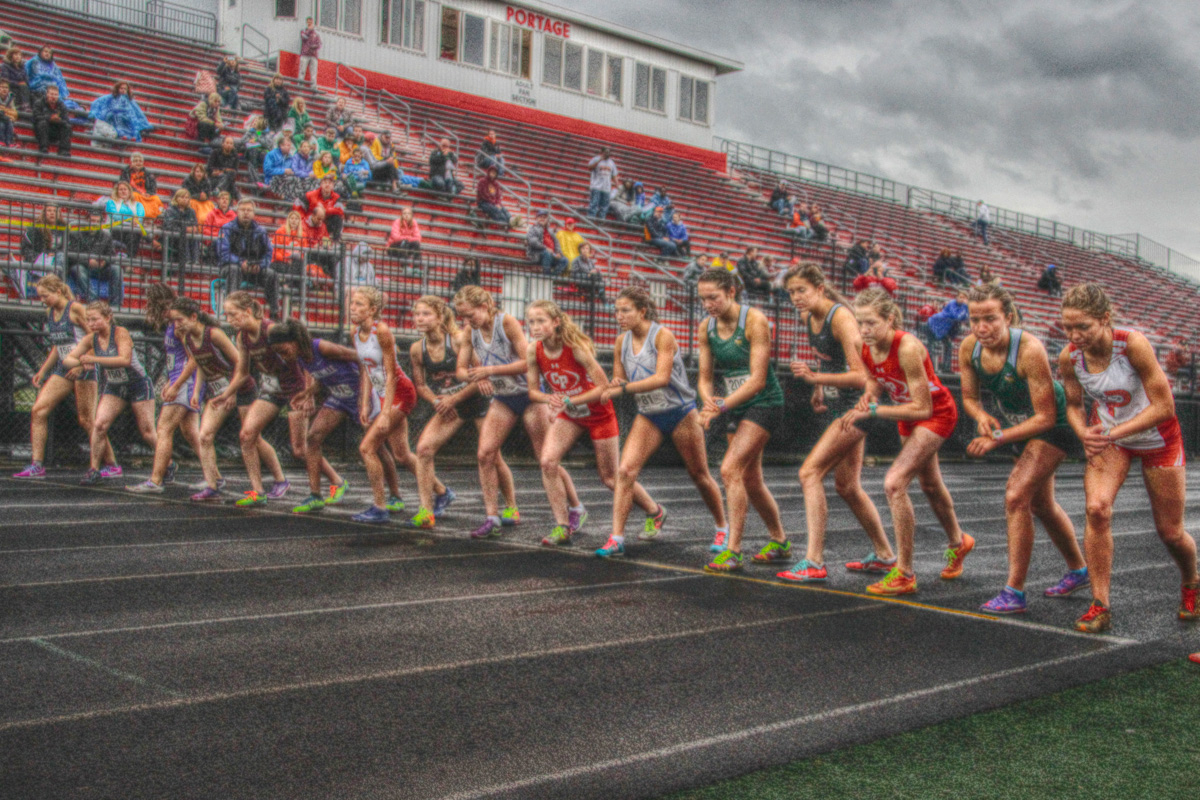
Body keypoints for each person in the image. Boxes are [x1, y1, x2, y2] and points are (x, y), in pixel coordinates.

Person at [1057, 283, 1198, 633]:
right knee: (1096, 509)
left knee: (1170, 532)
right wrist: (1082, 432)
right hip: (1111, 438)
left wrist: (1113, 432)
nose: (1075, 335)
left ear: (1105, 319)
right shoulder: (1070, 356)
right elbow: (1074, 404)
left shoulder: (1131, 344)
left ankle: (1192, 582)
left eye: (1083, 327)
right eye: (1068, 327)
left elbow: (1165, 407)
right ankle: (1100, 604)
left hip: (1156, 438)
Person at [958, 283, 1088, 613]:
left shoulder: (1029, 350)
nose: (981, 327)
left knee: (1016, 495)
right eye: (975, 319)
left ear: (1009, 317)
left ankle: (1013, 591)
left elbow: (1045, 417)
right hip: (1020, 427)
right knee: (1041, 505)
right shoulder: (969, 348)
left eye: (990, 318)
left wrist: (999, 437)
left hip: (1054, 425)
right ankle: (1079, 569)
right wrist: (981, 415)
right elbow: (970, 399)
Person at [837, 288, 974, 595]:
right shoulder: (864, 345)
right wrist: (868, 397)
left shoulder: (909, 347)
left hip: (934, 412)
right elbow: (874, 378)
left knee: (895, 483)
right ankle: (959, 541)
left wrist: (874, 409)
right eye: (860, 323)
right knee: (929, 484)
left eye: (871, 322)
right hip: (906, 413)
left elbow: (923, 407)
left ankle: (905, 573)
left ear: (891, 318)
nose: (864, 330)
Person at [775, 264, 896, 583]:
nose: (796, 298)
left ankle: (814, 560)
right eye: (791, 292)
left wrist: (817, 378)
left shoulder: (841, 317)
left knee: (809, 472)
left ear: (820, 288)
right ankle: (885, 556)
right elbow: (828, 358)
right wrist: (819, 387)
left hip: (861, 403)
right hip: (841, 402)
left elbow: (862, 375)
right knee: (846, 485)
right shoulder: (808, 317)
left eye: (802, 290)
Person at [594, 287, 727, 558]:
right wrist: (610, 386)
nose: (619, 315)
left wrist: (622, 389)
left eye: (625, 310)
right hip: (649, 414)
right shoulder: (622, 341)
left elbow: (661, 378)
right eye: (616, 310)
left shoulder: (662, 336)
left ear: (642, 311)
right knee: (625, 472)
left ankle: (723, 527)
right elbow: (620, 379)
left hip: (680, 412)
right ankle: (617, 537)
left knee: (699, 475)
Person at [523, 299, 660, 546]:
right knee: (547, 461)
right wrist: (550, 399)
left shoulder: (574, 348)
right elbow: (533, 392)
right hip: (570, 413)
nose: (535, 326)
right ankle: (562, 525)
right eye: (531, 321)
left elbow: (603, 387)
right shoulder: (534, 350)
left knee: (610, 478)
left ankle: (655, 511)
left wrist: (568, 400)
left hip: (598, 413)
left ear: (555, 322)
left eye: (541, 320)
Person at [454, 285, 583, 539]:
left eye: (470, 315)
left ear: (484, 306)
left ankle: (576, 507)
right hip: (504, 397)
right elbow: (460, 369)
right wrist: (474, 377)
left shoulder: (507, 323)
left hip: (530, 395)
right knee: (485, 454)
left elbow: (529, 362)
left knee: (546, 458)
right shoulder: (471, 331)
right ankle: (492, 517)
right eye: (463, 317)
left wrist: (490, 371)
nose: (467, 321)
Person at [694, 269, 790, 571]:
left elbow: (758, 380)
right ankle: (780, 541)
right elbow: (705, 377)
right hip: (735, 406)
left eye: (714, 297)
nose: (708, 304)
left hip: (764, 403)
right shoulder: (706, 327)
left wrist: (720, 407)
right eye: (703, 299)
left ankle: (733, 550)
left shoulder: (754, 321)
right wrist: (708, 400)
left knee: (729, 469)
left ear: (731, 292)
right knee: (751, 480)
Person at [212, 290, 342, 506]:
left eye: (233, 314)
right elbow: (243, 372)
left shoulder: (271, 330)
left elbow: (305, 354)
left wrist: (309, 393)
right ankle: (258, 491)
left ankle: (337, 480)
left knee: (300, 449)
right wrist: (226, 393)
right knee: (246, 434)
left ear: (247, 311)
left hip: (295, 389)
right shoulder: (242, 337)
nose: (229, 320)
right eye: (226, 315)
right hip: (272, 389)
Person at [167, 297, 279, 501]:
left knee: (253, 438)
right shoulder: (188, 339)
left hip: (241, 389)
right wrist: (195, 391)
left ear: (193, 317)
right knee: (205, 436)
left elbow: (239, 363)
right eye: (174, 321)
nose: (177, 325)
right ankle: (213, 485)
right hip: (219, 392)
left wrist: (233, 392)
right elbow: (201, 363)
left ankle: (279, 479)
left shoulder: (215, 335)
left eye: (180, 320)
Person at [13, 276, 116, 480]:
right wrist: (43, 371)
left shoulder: (76, 309)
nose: (42, 299)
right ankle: (37, 464)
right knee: (38, 410)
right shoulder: (51, 312)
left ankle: (111, 464)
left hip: (83, 366)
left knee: (88, 420)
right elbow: (57, 345)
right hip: (63, 366)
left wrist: (86, 362)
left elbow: (94, 337)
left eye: (46, 295)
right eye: (40, 296)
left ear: (58, 292)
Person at [406, 295, 495, 528]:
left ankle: (510, 507)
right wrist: (436, 401)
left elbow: (480, 376)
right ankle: (426, 511)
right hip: (448, 405)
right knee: (423, 449)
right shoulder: (417, 349)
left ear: (439, 317)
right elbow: (421, 385)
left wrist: (453, 399)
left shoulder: (456, 341)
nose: (420, 318)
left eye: (426, 314)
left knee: (491, 456)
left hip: (475, 401)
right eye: (417, 314)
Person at [267, 320, 362, 514]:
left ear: (295, 341)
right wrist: (308, 392)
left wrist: (367, 396)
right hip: (339, 397)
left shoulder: (322, 347)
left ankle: (412, 493)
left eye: (283, 349)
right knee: (312, 439)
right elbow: (323, 374)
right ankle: (315, 495)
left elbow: (361, 359)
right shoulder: (300, 358)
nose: (282, 356)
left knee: (387, 450)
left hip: (361, 396)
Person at [61, 301, 157, 485]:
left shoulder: (120, 333)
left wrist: (93, 359)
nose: (91, 324)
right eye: (88, 320)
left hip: (137, 383)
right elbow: (68, 359)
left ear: (108, 317)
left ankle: (166, 463)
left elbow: (124, 359)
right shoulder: (91, 339)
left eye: (95, 319)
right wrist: (81, 363)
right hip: (115, 386)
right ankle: (94, 469)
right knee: (99, 425)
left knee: (147, 431)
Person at [350, 286, 422, 522]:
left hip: (400, 392)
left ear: (372, 309)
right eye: (352, 303)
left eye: (359, 304)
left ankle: (380, 507)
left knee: (367, 448)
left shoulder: (381, 331)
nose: (353, 307)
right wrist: (364, 404)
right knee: (401, 453)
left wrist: (383, 413)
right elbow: (367, 370)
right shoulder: (354, 332)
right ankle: (442, 492)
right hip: (382, 393)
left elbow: (391, 375)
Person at [126, 285, 203, 493]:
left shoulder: (179, 326)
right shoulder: (173, 324)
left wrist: (176, 384)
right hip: (181, 380)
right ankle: (215, 476)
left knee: (163, 429)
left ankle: (156, 480)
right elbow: (177, 359)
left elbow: (194, 358)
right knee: (190, 433)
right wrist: (170, 381)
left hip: (186, 382)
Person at [218, 199, 279, 319]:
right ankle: (231, 311)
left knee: (272, 274)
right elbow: (223, 253)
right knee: (234, 270)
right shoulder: (227, 228)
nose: (246, 213)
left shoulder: (261, 231)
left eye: (249, 210)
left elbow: (268, 253)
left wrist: (260, 265)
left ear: (253, 213)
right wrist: (240, 263)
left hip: (254, 269)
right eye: (243, 210)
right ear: (237, 211)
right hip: (231, 266)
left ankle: (274, 313)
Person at [66, 207, 121, 305]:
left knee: (116, 269)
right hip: (83, 267)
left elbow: (112, 256)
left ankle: (115, 305)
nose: (94, 223)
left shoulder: (106, 236)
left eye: (97, 221)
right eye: (92, 220)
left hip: (100, 268)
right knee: (77, 269)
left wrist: (104, 262)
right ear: (87, 221)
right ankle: (94, 301)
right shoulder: (76, 234)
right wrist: (88, 261)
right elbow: (71, 256)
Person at [16, 203, 64, 296]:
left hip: (57, 262)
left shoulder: (64, 229)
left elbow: (68, 249)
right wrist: (41, 256)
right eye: (49, 210)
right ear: (44, 212)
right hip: (38, 262)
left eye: (55, 211)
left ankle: (54, 288)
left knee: (61, 257)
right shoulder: (35, 228)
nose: (52, 213)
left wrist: (54, 254)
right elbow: (25, 248)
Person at [88, 81, 152, 142]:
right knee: (117, 116)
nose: (123, 90)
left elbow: (137, 111)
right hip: (113, 116)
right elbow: (99, 102)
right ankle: (121, 134)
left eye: (125, 89)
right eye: (121, 88)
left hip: (126, 117)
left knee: (128, 119)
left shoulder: (130, 100)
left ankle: (129, 135)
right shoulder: (111, 97)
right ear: (117, 89)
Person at [26, 45, 80, 110]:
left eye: (49, 53)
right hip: (37, 87)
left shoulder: (53, 65)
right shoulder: (34, 61)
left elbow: (58, 79)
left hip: (51, 88)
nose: (47, 54)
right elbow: (29, 73)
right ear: (41, 52)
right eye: (45, 51)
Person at [104, 180, 145, 257]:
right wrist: (131, 219)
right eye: (120, 190)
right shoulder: (111, 203)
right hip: (115, 230)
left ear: (129, 191)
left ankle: (130, 260)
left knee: (134, 234)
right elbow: (116, 217)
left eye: (125, 189)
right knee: (134, 234)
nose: (123, 192)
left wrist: (134, 221)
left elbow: (140, 218)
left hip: (132, 231)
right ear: (117, 191)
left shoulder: (138, 205)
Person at [118, 151, 164, 219]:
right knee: (135, 195)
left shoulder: (147, 173)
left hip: (145, 195)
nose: (138, 163)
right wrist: (140, 193)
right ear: (131, 163)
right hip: (132, 193)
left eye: (140, 161)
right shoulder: (126, 172)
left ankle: (149, 217)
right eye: (136, 161)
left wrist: (148, 193)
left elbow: (153, 187)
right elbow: (124, 185)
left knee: (156, 199)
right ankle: (140, 216)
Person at [300, 176, 345, 241]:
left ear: (333, 185)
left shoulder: (337, 197)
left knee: (338, 218)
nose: (327, 184)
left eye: (330, 183)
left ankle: (336, 241)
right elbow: (299, 205)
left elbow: (340, 210)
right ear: (321, 184)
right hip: (311, 221)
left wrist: (325, 210)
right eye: (325, 182)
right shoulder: (310, 195)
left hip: (326, 222)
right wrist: (302, 219)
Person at [32, 84, 71, 155]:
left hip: (56, 130)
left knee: (67, 126)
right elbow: (36, 117)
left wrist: (59, 120)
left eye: (56, 95)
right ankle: (44, 147)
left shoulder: (61, 105)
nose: (53, 97)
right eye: (51, 94)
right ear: (47, 94)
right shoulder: (39, 103)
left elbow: (66, 119)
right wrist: (49, 118)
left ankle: (64, 150)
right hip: (42, 130)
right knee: (42, 123)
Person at [526, 210, 567, 275]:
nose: (542, 218)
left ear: (547, 219)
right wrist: (545, 248)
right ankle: (546, 275)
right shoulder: (533, 228)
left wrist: (558, 252)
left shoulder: (550, 230)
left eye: (544, 217)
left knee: (564, 260)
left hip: (552, 254)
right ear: (537, 218)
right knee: (546, 253)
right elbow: (533, 241)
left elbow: (556, 242)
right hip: (537, 254)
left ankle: (551, 276)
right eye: (540, 217)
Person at [385, 205, 422, 269]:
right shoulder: (397, 222)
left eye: (408, 213)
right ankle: (405, 266)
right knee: (404, 242)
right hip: (394, 248)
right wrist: (408, 238)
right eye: (404, 213)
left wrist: (406, 238)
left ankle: (416, 267)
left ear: (411, 215)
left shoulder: (414, 223)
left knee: (416, 244)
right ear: (401, 215)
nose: (406, 215)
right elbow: (396, 237)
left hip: (405, 247)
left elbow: (418, 238)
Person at [586, 147, 617, 219]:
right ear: (602, 152)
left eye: (609, 152)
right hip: (596, 186)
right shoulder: (596, 159)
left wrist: (617, 185)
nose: (607, 154)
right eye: (606, 152)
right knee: (594, 203)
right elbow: (589, 168)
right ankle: (591, 218)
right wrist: (599, 160)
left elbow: (614, 175)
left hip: (606, 187)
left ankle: (601, 219)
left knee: (604, 205)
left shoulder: (612, 163)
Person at [299, 17, 321, 87]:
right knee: (302, 70)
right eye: (308, 21)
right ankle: (300, 85)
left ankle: (313, 86)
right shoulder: (303, 31)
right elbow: (304, 37)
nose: (309, 23)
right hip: (305, 54)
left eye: (311, 22)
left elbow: (319, 44)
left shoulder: (316, 34)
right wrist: (309, 30)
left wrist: (313, 46)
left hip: (313, 55)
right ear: (306, 22)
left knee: (313, 73)